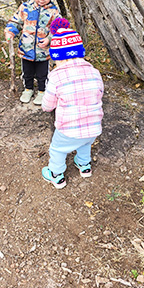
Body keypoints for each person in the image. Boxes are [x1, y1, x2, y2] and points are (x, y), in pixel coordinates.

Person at [41, 18, 104, 189]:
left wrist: (46, 106)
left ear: (57, 56)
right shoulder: (94, 72)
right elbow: (100, 94)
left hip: (68, 128)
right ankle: (84, 166)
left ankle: (56, 175)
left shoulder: (56, 76)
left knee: (57, 149)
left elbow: (48, 104)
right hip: (93, 126)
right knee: (85, 143)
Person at [4, 0, 61, 105]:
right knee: (27, 72)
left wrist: (49, 38)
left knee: (43, 74)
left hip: (44, 52)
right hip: (26, 49)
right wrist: (10, 31)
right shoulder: (25, 8)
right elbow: (15, 21)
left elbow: (59, 29)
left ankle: (43, 91)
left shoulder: (54, 12)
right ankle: (28, 89)